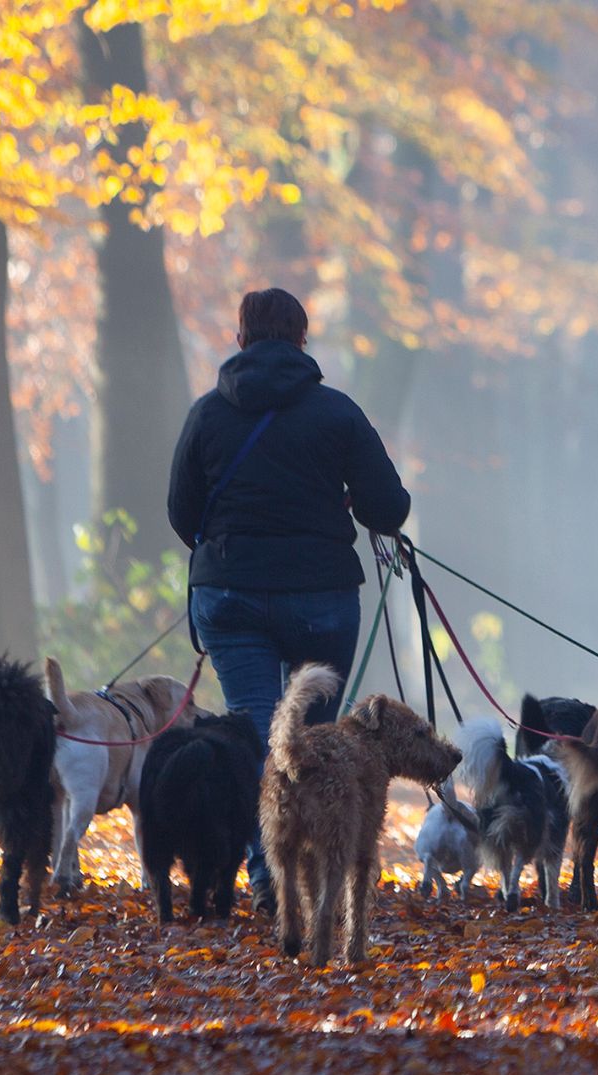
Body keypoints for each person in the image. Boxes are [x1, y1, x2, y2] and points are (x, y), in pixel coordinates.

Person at [168, 287, 410, 911]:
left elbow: (180, 512)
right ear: (302, 340)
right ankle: (314, 874)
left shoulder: (207, 414)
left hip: (229, 594)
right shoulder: (337, 414)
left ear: (240, 338)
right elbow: (389, 507)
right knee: (316, 739)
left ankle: (269, 877)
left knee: (257, 735)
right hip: (321, 596)